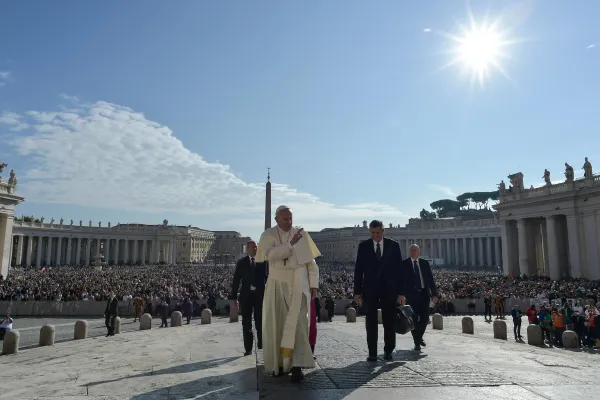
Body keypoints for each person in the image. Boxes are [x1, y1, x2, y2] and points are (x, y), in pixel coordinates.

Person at [256, 205, 320, 382]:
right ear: (276, 219)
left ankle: (297, 365)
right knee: (278, 323)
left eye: (291, 218)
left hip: (299, 285)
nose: (289, 221)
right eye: (285, 219)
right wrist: (289, 245)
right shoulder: (267, 235)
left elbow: (311, 263)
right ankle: (280, 363)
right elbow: (268, 256)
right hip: (277, 284)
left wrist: (314, 284)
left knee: (299, 324)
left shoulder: (301, 235)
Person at [353, 220, 404, 361]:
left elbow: (399, 270)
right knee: (371, 322)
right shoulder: (363, 246)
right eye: (373, 233)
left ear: (383, 231)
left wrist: (401, 292)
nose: (375, 235)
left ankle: (389, 350)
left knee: (389, 321)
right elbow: (359, 270)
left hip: (389, 289)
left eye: (378, 232)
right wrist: (357, 292)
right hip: (370, 290)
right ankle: (372, 352)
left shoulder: (394, 245)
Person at [230, 240, 268, 356]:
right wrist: (233, 297)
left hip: (259, 295)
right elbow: (236, 280)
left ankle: (261, 342)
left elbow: (268, 278)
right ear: (248, 249)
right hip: (245, 296)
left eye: (256, 247)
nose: (254, 249)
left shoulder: (264, 261)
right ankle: (248, 348)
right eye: (252, 247)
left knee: (260, 320)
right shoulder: (241, 262)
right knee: (246, 324)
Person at [401, 244, 438, 352]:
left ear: (419, 251)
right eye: (411, 250)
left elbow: (430, 279)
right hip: (411, 296)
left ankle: (419, 337)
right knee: (413, 319)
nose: (413, 252)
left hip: (424, 294)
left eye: (415, 250)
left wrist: (435, 294)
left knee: (425, 319)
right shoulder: (404, 264)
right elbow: (401, 281)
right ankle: (417, 342)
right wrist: (401, 294)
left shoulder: (425, 263)